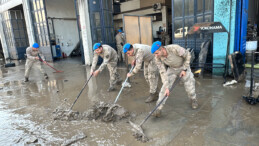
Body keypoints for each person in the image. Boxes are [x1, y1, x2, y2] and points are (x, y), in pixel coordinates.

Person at [151, 41, 198, 117]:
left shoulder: (174, 48)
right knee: (164, 90)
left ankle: (193, 99)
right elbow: (162, 72)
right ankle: (158, 108)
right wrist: (166, 86)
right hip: (172, 69)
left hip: (183, 67)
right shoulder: (157, 58)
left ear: (162, 49)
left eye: (157, 53)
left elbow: (188, 55)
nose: (155, 55)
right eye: (154, 54)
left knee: (189, 85)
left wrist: (185, 69)